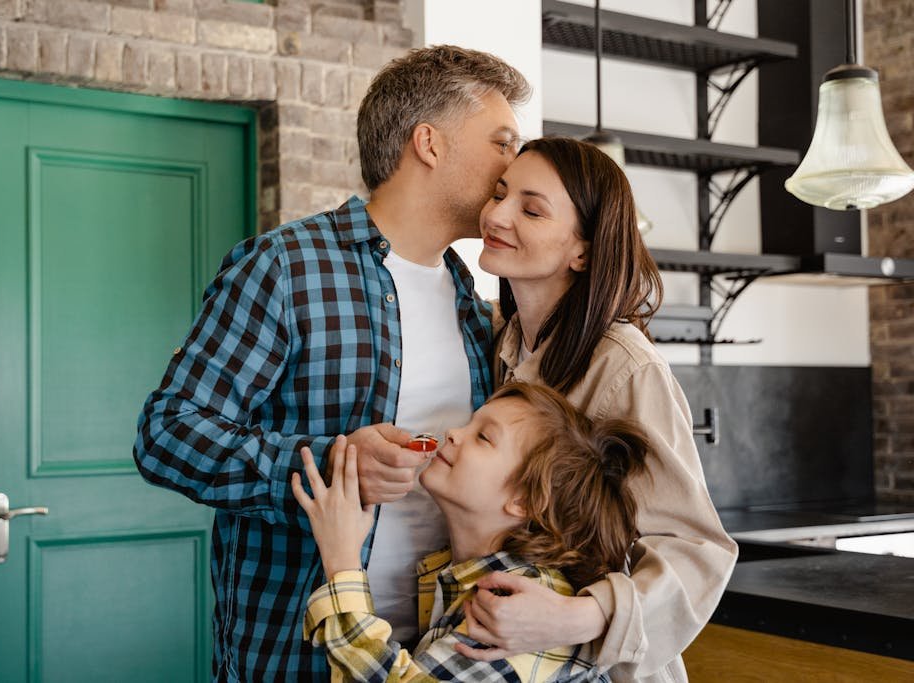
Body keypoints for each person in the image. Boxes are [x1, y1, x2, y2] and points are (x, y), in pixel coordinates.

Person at [132, 45, 531, 682]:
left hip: (433, 653)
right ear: (429, 143)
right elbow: (168, 434)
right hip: (296, 655)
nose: (515, 167)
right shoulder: (284, 268)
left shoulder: (478, 306)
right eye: (503, 143)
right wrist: (332, 464)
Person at [457, 136, 738, 681]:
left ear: (582, 251)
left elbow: (697, 548)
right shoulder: (502, 340)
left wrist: (574, 617)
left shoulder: (625, 366)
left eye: (531, 209)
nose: (497, 215)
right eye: (500, 193)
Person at [295, 381, 651, 683]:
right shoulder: (463, 580)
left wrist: (341, 562)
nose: (452, 433)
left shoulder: (518, 605)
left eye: (483, 438)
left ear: (526, 501)